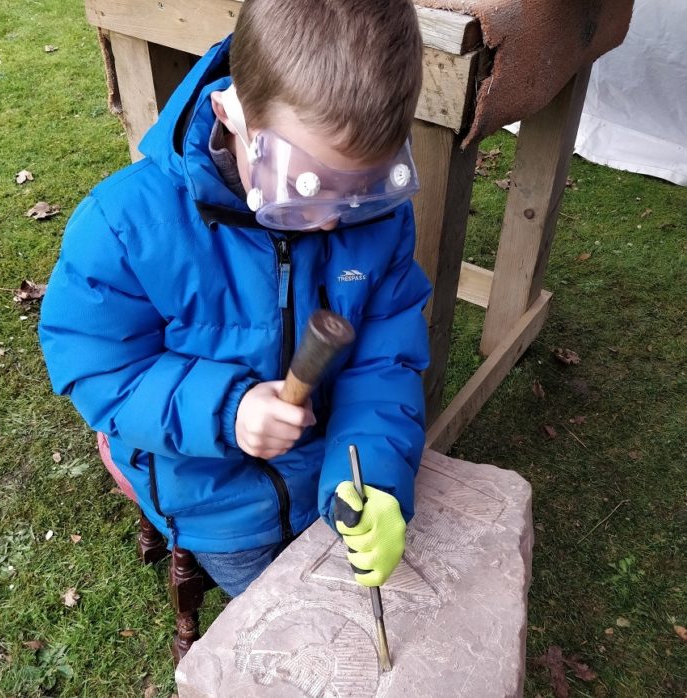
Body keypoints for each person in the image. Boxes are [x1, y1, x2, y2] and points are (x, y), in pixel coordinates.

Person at [39, 0, 430, 597]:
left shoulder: (377, 228)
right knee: (296, 625)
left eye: (360, 191)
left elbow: (385, 363)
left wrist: (371, 473)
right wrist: (227, 411)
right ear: (231, 112)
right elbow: (98, 370)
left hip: (327, 472)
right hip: (213, 502)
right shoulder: (122, 226)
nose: (329, 222)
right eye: (305, 186)